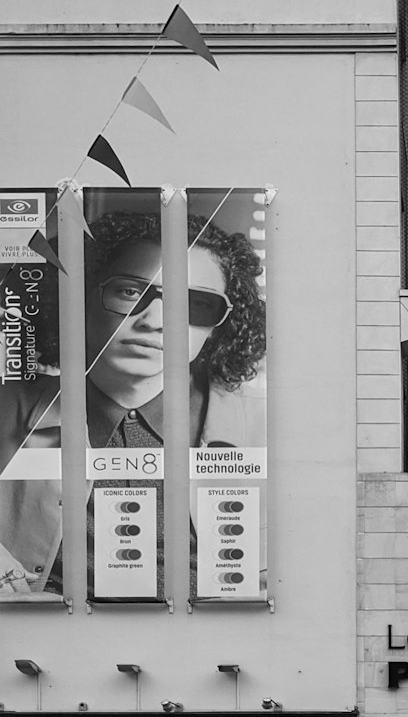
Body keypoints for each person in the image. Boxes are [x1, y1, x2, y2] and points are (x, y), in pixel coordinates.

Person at [0, 209, 266, 596]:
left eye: (195, 303)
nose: (155, 320)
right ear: (79, 296)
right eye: (130, 291)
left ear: (220, 325)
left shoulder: (267, 425)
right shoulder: (7, 407)